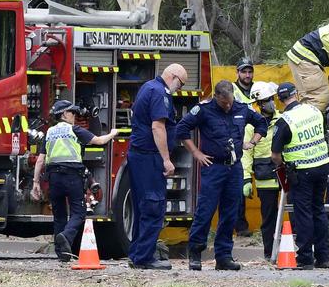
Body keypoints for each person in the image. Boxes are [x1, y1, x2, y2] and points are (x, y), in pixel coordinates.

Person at [175, 80, 268, 270]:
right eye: (223, 102)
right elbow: (181, 129)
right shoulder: (204, 110)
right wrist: (196, 153)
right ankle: (195, 252)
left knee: (230, 213)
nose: (227, 105)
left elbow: (261, 123)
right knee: (205, 211)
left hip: (234, 168)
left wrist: (253, 141)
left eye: (229, 101)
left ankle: (224, 256)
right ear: (216, 97)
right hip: (213, 167)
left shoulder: (242, 108)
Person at [31, 101, 118, 261]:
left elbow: (40, 160)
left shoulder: (49, 132)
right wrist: (113, 133)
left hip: (54, 179)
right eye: (72, 112)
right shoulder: (74, 130)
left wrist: (36, 183)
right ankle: (66, 235)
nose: (75, 116)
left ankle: (62, 254)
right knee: (79, 212)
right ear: (64, 114)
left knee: (59, 216)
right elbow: (99, 141)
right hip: (72, 177)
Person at [126, 64, 188, 270]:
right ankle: (144, 257)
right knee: (153, 205)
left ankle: (138, 253)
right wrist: (166, 159)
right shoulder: (160, 92)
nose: (180, 89)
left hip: (139, 155)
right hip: (150, 157)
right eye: (181, 84)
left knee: (142, 206)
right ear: (173, 77)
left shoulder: (147, 87)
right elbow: (158, 126)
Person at [271, 82, 329, 269]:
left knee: (303, 213)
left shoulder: (284, 121)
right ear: (296, 94)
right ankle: (323, 257)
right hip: (322, 166)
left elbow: (275, 154)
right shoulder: (314, 111)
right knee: (319, 210)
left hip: (302, 171)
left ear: (280, 100)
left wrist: (282, 166)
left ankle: (305, 258)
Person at [246, 82, 282, 260]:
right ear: (259, 104)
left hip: (284, 173)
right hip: (264, 177)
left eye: (271, 99)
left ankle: (293, 249)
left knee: (294, 213)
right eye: (266, 101)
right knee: (269, 218)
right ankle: (269, 253)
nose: (271, 103)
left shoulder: (283, 119)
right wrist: (246, 179)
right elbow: (246, 154)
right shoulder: (251, 125)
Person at [232, 58, 255, 235]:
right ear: (237, 72)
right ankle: (240, 226)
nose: (247, 75)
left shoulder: (258, 88)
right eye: (244, 71)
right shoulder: (232, 90)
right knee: (240, 183)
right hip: (239, 141)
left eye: (249, 71)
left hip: (257, 140)